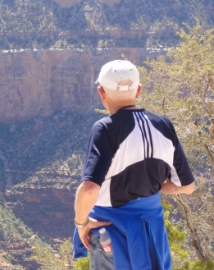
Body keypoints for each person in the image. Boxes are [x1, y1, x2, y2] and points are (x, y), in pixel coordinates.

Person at [72, 60, 195, 270]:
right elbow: (187, 186)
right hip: (152, 237)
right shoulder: (163, 125)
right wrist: (155, 187)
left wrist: (81, 223)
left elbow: (90, 188)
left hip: (113, 237)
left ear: (101, 92)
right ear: (138, 91)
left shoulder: (106, 129)